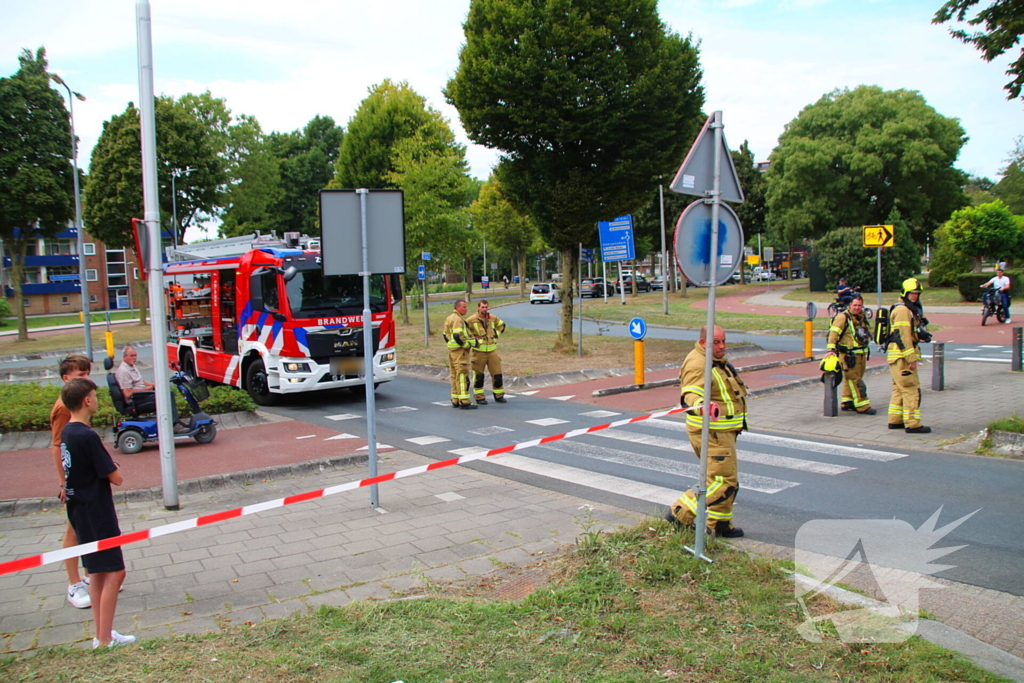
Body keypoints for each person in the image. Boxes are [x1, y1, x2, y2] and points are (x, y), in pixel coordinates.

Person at [60, 377, 135, 649]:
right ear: (87, 401)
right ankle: (104, 639)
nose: (98, 400)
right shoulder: (87, 436)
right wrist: (114, 466)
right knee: (116, 573)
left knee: (96, 573)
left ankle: (102, 634)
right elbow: (115, 477)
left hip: (80, 511)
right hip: (97, 512)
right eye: (95, 395)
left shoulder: (68, 433)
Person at [665, 325, 747, 538]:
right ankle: (680, 514)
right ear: (703, 343)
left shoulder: (711, 359)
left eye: (723, 341)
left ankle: (720, 524)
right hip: (712, 433)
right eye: (716, 342)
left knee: (726, 479)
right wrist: (702, 404)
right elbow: (690, 392)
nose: (722, 347)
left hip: (723, 432)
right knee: (721, 482)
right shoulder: (698, 362)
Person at [50, 355, 93, 609]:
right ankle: (74, 584)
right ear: (67, 379)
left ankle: (91, 576)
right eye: (81, 375)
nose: (87, 378)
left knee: (85, 526)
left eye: (88, 373)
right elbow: (57, 446)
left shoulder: (79, 402)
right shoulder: (64, 408)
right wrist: (63, 482)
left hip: (85, 476)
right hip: (73, 478)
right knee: (73, 529)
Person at [886, 278, 931, 434]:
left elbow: (908, 334)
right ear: (905, 293)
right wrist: (911, 358)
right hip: (902, 357)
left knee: (899, 389)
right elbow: (903, 336)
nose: (915, 296)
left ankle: (895, 420)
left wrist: (920, 336)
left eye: (917, 294)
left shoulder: (904, 309)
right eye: (912, 293)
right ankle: (912, 424)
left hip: (897, 356)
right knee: (910, 388)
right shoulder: (903, 311)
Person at [116, 346, 189, 433]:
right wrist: (148, 389)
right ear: (124, 357)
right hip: (136, 400)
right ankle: (174, 425)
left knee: (167, 392)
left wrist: (157, 385)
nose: (134, 358)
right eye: (131, 356)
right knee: (167, 395)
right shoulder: (124, 371)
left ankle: (174, 420)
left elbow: (140, 382)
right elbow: (127, 394)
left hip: (143, 395)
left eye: (135, 355)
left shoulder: (131, 366)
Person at [825, 295, 876, 415]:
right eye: (855, 305)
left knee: (851, 379)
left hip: (861, 354)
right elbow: (834, 334)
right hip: (848, 356)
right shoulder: (843, 317)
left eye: (859, 305)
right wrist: (830, 349)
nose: (857, 308)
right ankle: (862, 405)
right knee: (855, 380)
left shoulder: (861, 317)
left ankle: (847, 402)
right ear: (850, 305)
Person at [465, 299, 507, 404]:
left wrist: (495, 335)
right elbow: (464, 333)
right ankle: (479, 397)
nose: (484, 309)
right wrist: (474, 340)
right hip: (478, 352)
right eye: (482, 307)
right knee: (479, 375)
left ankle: (499, 395)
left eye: (486, 307)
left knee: (497, 374)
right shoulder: (471, 320)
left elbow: (502, 325)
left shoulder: (492, 318)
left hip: (492, 350)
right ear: (478, 307)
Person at [443, 299, 478, 410]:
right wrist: (467, 346)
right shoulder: (458, 319)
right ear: (457, 307)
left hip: (452, 351)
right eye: (464, 307)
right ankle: (464, 401)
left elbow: (445, 335)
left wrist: (450, 344)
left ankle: (455, 399)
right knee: (462, 375)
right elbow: (458, 336)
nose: (466, 309)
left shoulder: (449, 318)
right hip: (460, 352)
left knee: (454, 375)